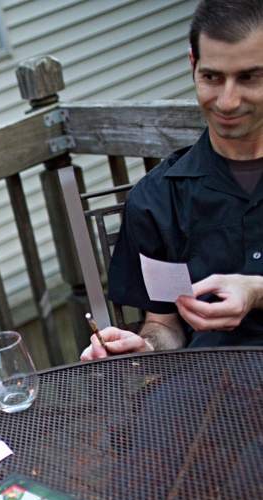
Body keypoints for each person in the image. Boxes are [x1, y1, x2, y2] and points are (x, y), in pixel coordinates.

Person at [81, 0, 263, 360]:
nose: (227, 102)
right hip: (213, 391)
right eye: (211, 77)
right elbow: (164, 324)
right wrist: (145, 345)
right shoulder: (156, 200)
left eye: (248, 77)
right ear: (193, 65)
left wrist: (257, 291)